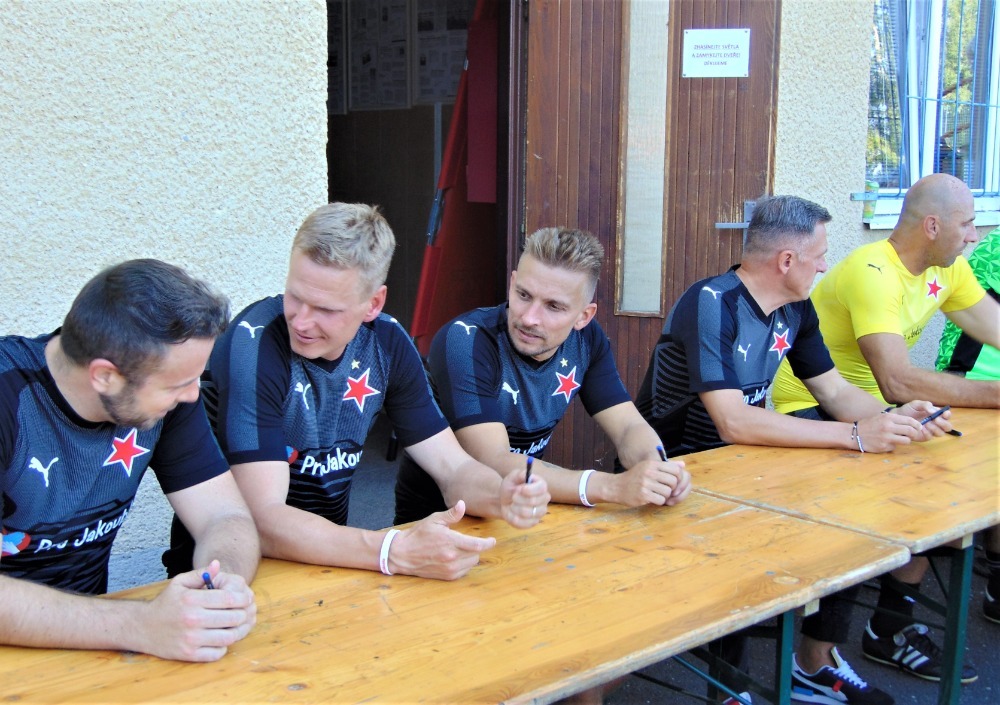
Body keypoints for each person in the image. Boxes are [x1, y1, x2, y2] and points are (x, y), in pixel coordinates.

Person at [635, 195, 954, 705]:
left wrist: (894, 416)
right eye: (820, 255)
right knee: (742, 558)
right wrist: (856, 436)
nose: (825, 266)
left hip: (744, 465)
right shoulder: (710, 301)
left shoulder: (796, 307)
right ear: (787, 260)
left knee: (853, 518)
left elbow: (834, 391)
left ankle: (813, 663)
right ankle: (732, 691)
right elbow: (733, 421)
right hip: (676, 470)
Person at [163, 203, 549, 583]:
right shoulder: (254, 343)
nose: (301, 321)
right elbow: (263, 519)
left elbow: (453, 467)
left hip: (332, 559)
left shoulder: (387, 342)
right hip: (231, 573)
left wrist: (502, 494)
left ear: (373, 304)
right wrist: (391, 549)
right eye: (294, 296)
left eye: (326, 309)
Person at [393, 226, 691, 705]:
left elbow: (628, 426)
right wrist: (612, 487)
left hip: (529, 517)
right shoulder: (466, 340)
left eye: (554, 307)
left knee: (589, 652)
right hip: (444, 527)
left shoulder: (588, 342)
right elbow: (494, 459)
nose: (529, 317)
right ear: (512, 283)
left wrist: (659, 469)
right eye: (523, 295)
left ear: (583, 316)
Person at [773, 174, 998, 684]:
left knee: (950, 488)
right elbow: (897, 379)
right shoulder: (871, 270)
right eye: (967, 224)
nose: (975, 235)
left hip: (875, 407)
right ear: (933, 226)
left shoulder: (949, 267)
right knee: (865, 510)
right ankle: (813, 660)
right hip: (809, 405)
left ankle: (889, 629)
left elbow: (995, 327)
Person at [0, 259, 259, 662]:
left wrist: (220, 585)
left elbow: (225, 516)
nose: (193, 395)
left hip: (89, 650)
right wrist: (139, 624)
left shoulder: (171, 397)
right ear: (105, 376)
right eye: (178, 384)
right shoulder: (9, 399)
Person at [935, 227, 1000, 627]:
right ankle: (892, 621)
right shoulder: (994, 249)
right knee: (948, 496)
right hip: (972, 381)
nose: (972, 234)